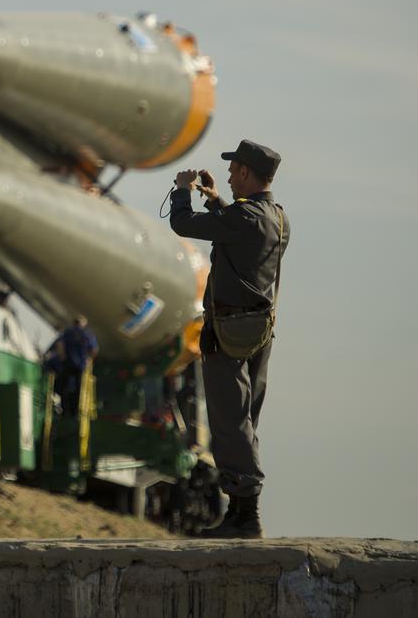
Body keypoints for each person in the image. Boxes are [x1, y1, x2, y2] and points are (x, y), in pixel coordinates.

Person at [168, 139, 290, 539]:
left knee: (229, 420)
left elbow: (182, 225)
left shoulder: (244, 217)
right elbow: (240, 232)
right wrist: (218, 202)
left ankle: (244, 515)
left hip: (228, 333)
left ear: (245, 173)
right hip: (258, 331)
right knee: (246, 418)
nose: (228, 175)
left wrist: (183, 190)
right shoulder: (276, 217)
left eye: (233, 170)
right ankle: (242, 510)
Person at [54, 315, 99, 419]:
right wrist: (88, 359)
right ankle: (76, 412)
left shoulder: (68, 333)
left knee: (64, 388)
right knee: (79, 390)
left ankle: (65, 411)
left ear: (74, 323)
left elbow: (59, 345)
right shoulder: (88, 334)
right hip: (81, 366)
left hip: (68, 363)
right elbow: (95, 350)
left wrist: (62, 357)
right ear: (83, 324)